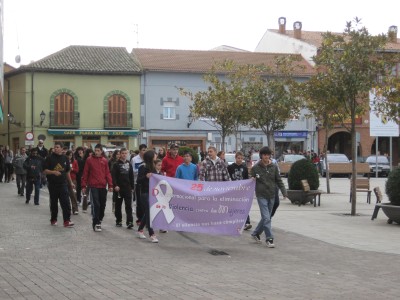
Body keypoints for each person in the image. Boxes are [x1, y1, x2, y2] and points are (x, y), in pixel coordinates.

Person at [250, 147, 287, 248]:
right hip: (261, 195)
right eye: (264, 155)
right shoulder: (256, 167)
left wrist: (284, 192)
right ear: (261, 156)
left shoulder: (274, 167)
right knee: (267, 218)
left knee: (266, 217)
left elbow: (278, 180)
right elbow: (251, 179)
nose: (266, 157)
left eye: (268, 155)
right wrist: (252, 178)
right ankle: (269, 238)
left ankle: (256, 233)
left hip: (272, 195)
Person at [81, 144, 113, 232]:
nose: (96, 152)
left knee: (103, 205)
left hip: (103, 185)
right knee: (96, 204)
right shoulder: (89, 160)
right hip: (93, 185)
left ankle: (99, 219)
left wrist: (110, 185)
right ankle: (97, 222)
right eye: (95, 150)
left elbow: (107, 173)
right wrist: (83, 185)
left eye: (98, 150)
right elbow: (85, 172)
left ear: (102, 151)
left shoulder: (105, 160)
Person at [43, 142, 74, 227]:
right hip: (52, 184)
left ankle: (67, 221)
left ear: (61, 148)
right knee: (54, 202)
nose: (55, 148)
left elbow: (67, 171)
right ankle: (53, 219)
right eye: (55, 147)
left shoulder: (65, 158)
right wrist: (53, 172)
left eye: (57, 147)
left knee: (66, 202)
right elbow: (44, 170)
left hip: (63, 184)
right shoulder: (49, 158)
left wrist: (70, 182)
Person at [137, 149, 159, 243]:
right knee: (149, 212)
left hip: (153, 192)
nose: (156, 156)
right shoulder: (143, 167)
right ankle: (151, 233)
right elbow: (138, 180)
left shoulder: (153, 167)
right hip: (145, 192)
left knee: (148, 212)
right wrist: (146, 176)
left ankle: (140, 229)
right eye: (154, 155)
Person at [227, 151, 252, 230]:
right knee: (232, 206)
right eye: (238, 158)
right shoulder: (230, 167)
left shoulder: (244, 168)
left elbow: (246, 179)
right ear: (235, 158)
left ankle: (246, 222)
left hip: (242, 190)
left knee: (244, 206)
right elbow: (227, 177)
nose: (240, 160)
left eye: (241, 158)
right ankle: (231, 221)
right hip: (233, 190)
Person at [111, 148, 134, 229]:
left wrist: (132, 187)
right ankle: (118, 220)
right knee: (118, 206)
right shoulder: (116, 164)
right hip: (119, 189)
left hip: (127, 188)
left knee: (129, 206)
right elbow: (113, 177)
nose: (124, 155)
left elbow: (131, 176)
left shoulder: (129, 164)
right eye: (123, 153)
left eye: (125, 153)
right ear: (120, 154)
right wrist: (115, 185)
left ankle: (130, 221)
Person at [131, 144, 147, 225]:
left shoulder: (147, 159)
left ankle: (145, 217)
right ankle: (139, 218)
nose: (144, 152)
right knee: (139, 201)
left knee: (145, 201)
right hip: (137, 182)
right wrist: (140, 171)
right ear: (140, 150)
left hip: (145, 183)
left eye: (145, 150)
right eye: (143, 150)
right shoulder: (134, 159)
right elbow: (132, 171)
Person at [66, 150, 79, 215]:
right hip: (65, 179)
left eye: (71, 155)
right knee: (65, 195)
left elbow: (77, 170)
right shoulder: (65, 161)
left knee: (73, 194)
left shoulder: (75, 161)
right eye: (68, 155)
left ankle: (75, 209)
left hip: (73, 179)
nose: (69, 157)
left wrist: (72, 169)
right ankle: (67, 209)